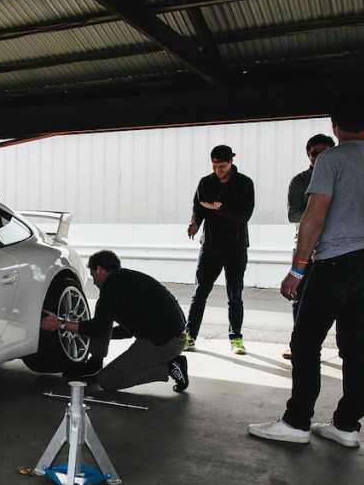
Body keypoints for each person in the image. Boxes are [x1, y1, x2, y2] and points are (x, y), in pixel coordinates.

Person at [249, 91, 364, 448]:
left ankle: (297, 422)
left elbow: (314, 217)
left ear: (334, 124)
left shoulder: (330, 160)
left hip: (336, 263)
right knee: (354, 345)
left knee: (305, 342)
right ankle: (346, 426)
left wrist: (297, 271)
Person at [40, 250, 189, 392]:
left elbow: (98, 327)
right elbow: (125, 331)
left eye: (92, 275)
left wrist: (60, 324)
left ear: (99, 270)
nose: (94, 283)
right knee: (102, 311)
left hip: (166, 342)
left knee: (108, 380)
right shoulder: (125, 280)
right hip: (168, 335)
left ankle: (170, 367)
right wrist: (90, 332)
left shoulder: (112, 284)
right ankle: (95, 363)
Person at [183, 145, 255, 355]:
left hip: (236, 248)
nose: (218, 170)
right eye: (214, 166)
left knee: (235, 295)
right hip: (210, 247)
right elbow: (198, 207)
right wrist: (195, 223)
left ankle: (236, 338)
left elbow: (245, 215)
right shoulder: (206, 182)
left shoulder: (244, 183)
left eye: (222, 166)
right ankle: (190, 335)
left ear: (231, 162)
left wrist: (220, 208)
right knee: (200, 293)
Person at [282, 133, 335, 359]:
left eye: (326, 153)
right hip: (306, 247)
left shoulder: (340, 176)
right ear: (308, 155)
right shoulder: (300, 181)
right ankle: (298, 346)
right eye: (316, 154)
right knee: (300, 297)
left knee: (337, 299)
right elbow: (293, 214)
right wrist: (318, 214)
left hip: (335, 248)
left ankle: (346, 348)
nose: (320, 158)